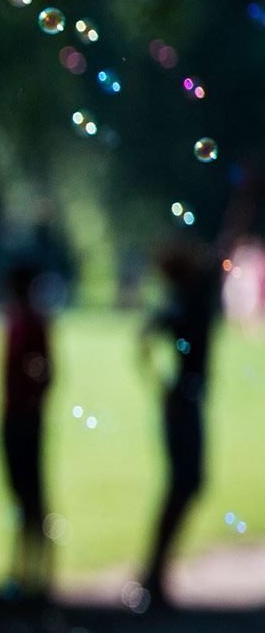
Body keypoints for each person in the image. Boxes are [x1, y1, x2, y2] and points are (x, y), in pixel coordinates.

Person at [141, 241, 221, 606]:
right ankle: (154, 574)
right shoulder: (189, 301)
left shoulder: (181, 301)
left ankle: (156, 572)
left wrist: (159, 381)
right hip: (184, 406)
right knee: (183, 485)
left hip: (185, 402)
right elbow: (227, 243)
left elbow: (143, 339)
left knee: (185, 485)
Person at [0, 263, 53, 596]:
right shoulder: (21, 320)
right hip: (15, 416)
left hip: (23, 419)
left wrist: (31, 404)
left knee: (29, 494)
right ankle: (28, 570)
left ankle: (34, 572)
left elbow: (46, 373)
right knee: (24, 494)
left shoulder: (30, 323)